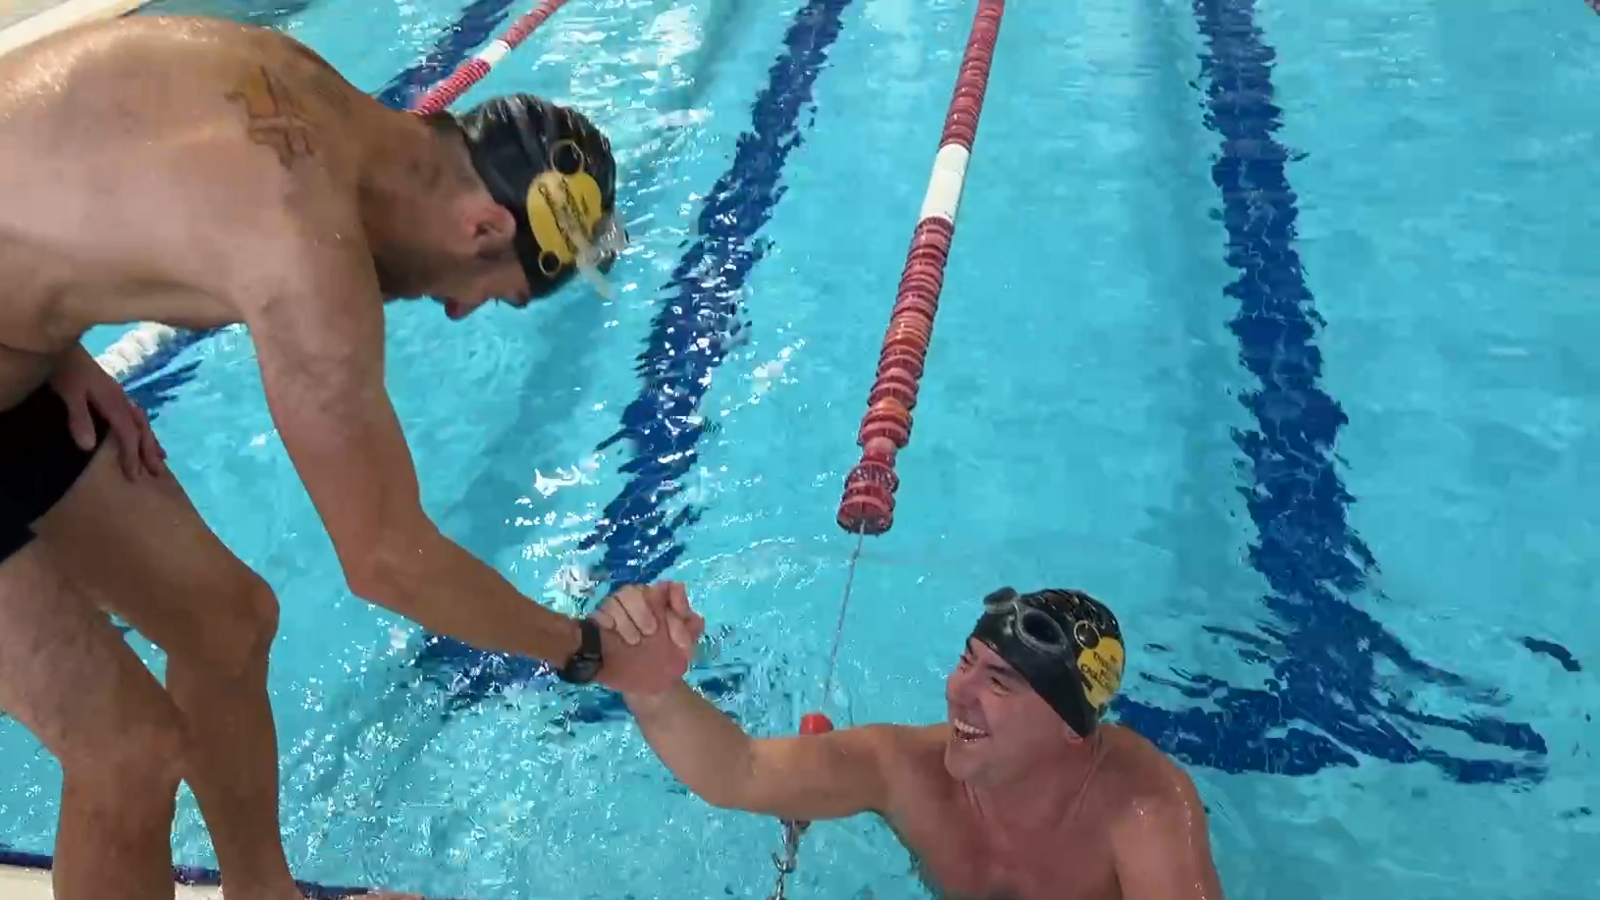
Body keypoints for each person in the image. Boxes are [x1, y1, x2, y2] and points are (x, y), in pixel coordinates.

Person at [0, 14, 694, 900]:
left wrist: (52, 335)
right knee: (126, 751)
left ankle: (265, 892)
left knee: (225, 623)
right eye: (493, 295)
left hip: (24, 379)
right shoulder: (306, 248)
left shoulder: (304, 87)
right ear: (484, 227)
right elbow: (387, 560)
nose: (453, 311)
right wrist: (587, 651)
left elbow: (44, 154)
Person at [594, 582, 1227, 900]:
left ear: (1069, 725)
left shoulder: (1142, 806)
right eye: (966, 661)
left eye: (999, 682)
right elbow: (741, 770)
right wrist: (651, 685)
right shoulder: (907, 770)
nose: (958, 691)